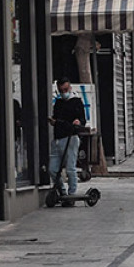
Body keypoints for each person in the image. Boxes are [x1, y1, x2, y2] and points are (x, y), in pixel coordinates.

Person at [48, 77, 87, 206]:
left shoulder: (76, 102)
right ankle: (62, 192)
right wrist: (54, 122)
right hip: (58, 138)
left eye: (65, 89)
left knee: (70, 168)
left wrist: (78, 122)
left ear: (70, 88)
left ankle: (71, 194)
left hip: (71, 137)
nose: (64, 92)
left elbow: (82, 119)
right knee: (53, 169)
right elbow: (56, 119)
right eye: (61, 90)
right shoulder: (58, 103)